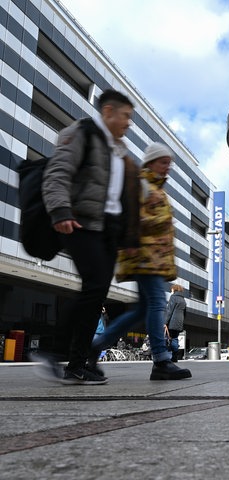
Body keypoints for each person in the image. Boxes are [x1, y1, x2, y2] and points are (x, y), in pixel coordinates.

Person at [37, 89, 140, 385]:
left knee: (95, 294)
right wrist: (59, 209)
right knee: (93, 289)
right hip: (80, 222)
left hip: (106, 229)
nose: (129, 123)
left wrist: (129, 239)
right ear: (108, 111)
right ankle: (57, 355)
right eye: (126, 116)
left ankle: (78, 363)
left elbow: (121, 198)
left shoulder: (117, 150)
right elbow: (58, 172)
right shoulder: (83, 133)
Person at [90, 142, 191, 381]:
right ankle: (161, 360)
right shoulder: (142, 185)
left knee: (142, 310)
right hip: (145, 258)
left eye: (169, 163)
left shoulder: (156, 189)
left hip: (153, 259)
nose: (168, 167)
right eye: (163, 162)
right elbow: (134, 220)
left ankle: (95, 346)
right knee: (156, 304)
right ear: (151, 162)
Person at [165, 284, 187, 362]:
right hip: (179, 322)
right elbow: (184, 313)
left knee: (169, 338)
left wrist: (165, 322)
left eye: (171, 290)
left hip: (172, 322)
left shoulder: (173, 297)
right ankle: (174, 357)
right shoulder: (183, 300)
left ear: (174, 290)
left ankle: (166, 356)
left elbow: (169, 310)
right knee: (175, 338)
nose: (171, 291)